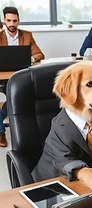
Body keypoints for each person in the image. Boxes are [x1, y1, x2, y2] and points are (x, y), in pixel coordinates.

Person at [0, 6, 44, 147]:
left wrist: (28, 59)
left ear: (19, 20)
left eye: (15, 21)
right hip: (3, 76)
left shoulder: (27, 35)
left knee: (17, 96)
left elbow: (39, 55)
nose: (12, 24)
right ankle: (1, 130)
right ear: (4, 20)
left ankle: (2, 129)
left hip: (21, 75)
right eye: (9, 21)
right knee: (14, 96)